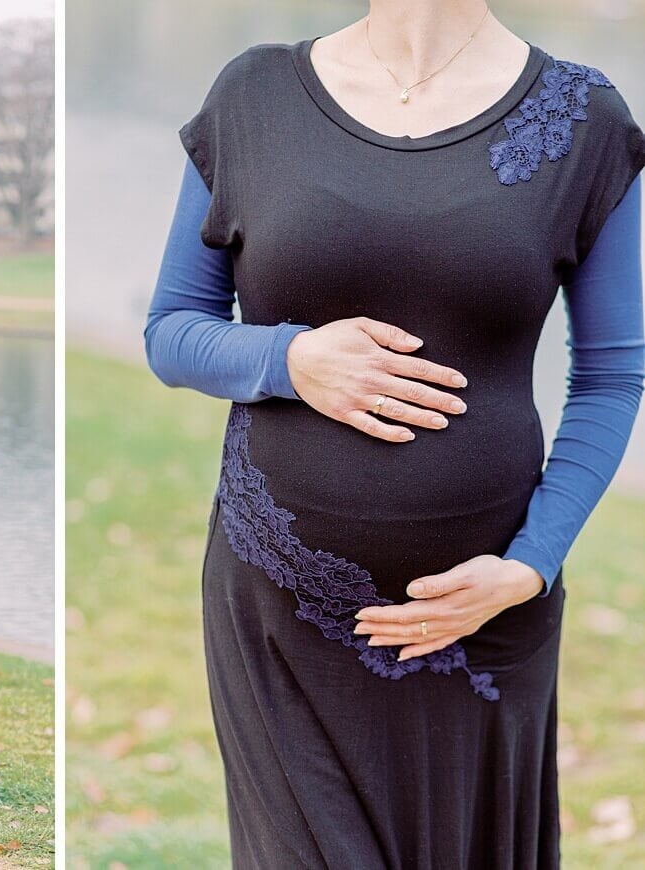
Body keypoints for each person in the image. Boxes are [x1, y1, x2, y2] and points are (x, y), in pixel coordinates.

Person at [145, 1, 644, 866]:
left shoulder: (586, 120)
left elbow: (610, 375)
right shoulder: (252, 94)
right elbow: (172, 329)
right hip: (280, 614)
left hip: (481, 620)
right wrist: (290, 359)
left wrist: (531, 565)